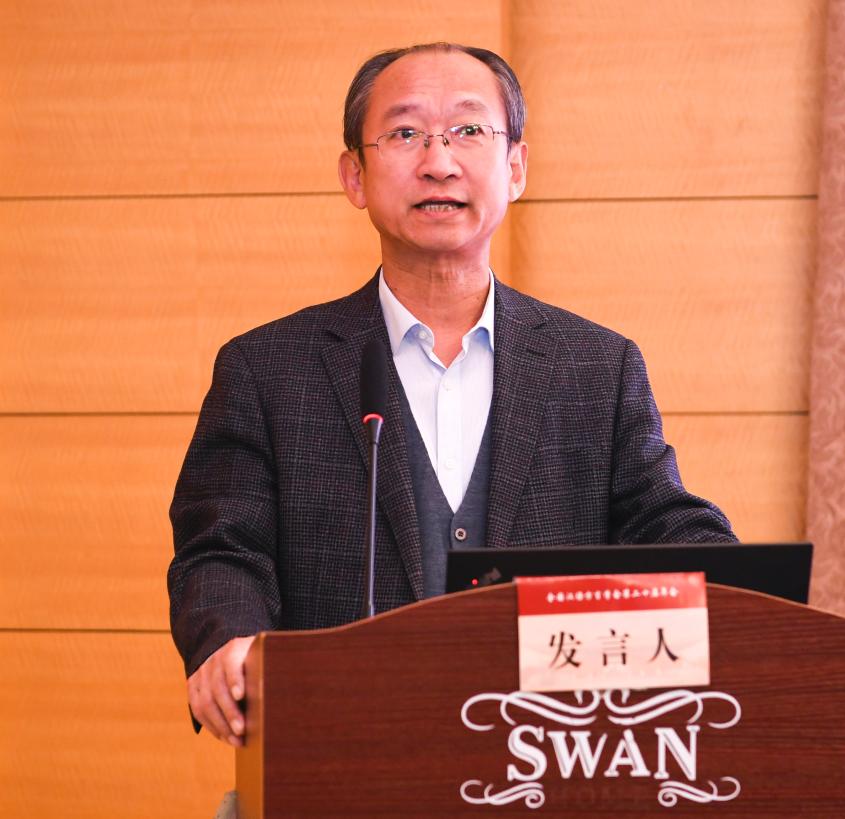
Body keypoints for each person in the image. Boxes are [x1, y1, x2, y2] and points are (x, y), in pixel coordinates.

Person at [168, 42, 736, 748]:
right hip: (342, 748)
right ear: (354, 175)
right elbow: (221, 549)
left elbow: (665, 531)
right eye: (406, 133)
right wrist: (228, 637)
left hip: (547, 756)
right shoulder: (267, 368)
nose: (439, 162)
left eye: (469, 130)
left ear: (516, 167)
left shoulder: (596, 366)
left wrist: (743, 594)